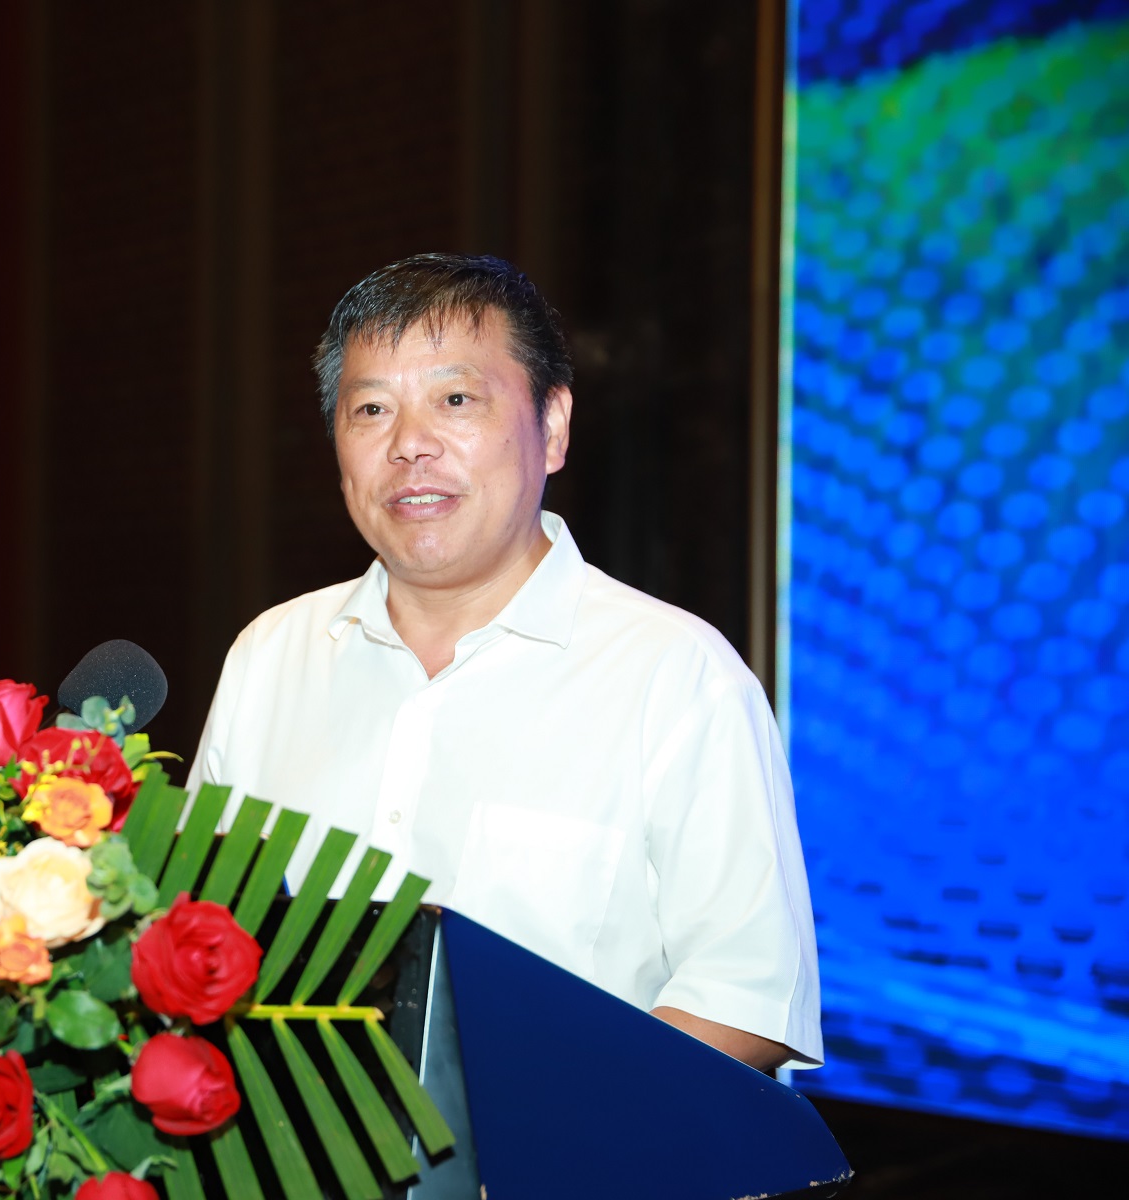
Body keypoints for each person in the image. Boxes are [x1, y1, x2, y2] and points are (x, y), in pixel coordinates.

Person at [188, 253, 821, 1071]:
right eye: (371, 409)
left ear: (552, 427)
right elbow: (196, 939)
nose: (410, 446)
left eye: (455, 400)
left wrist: (555, 1131)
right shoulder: (272, 656)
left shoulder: (677, 675)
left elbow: (746, 1002)